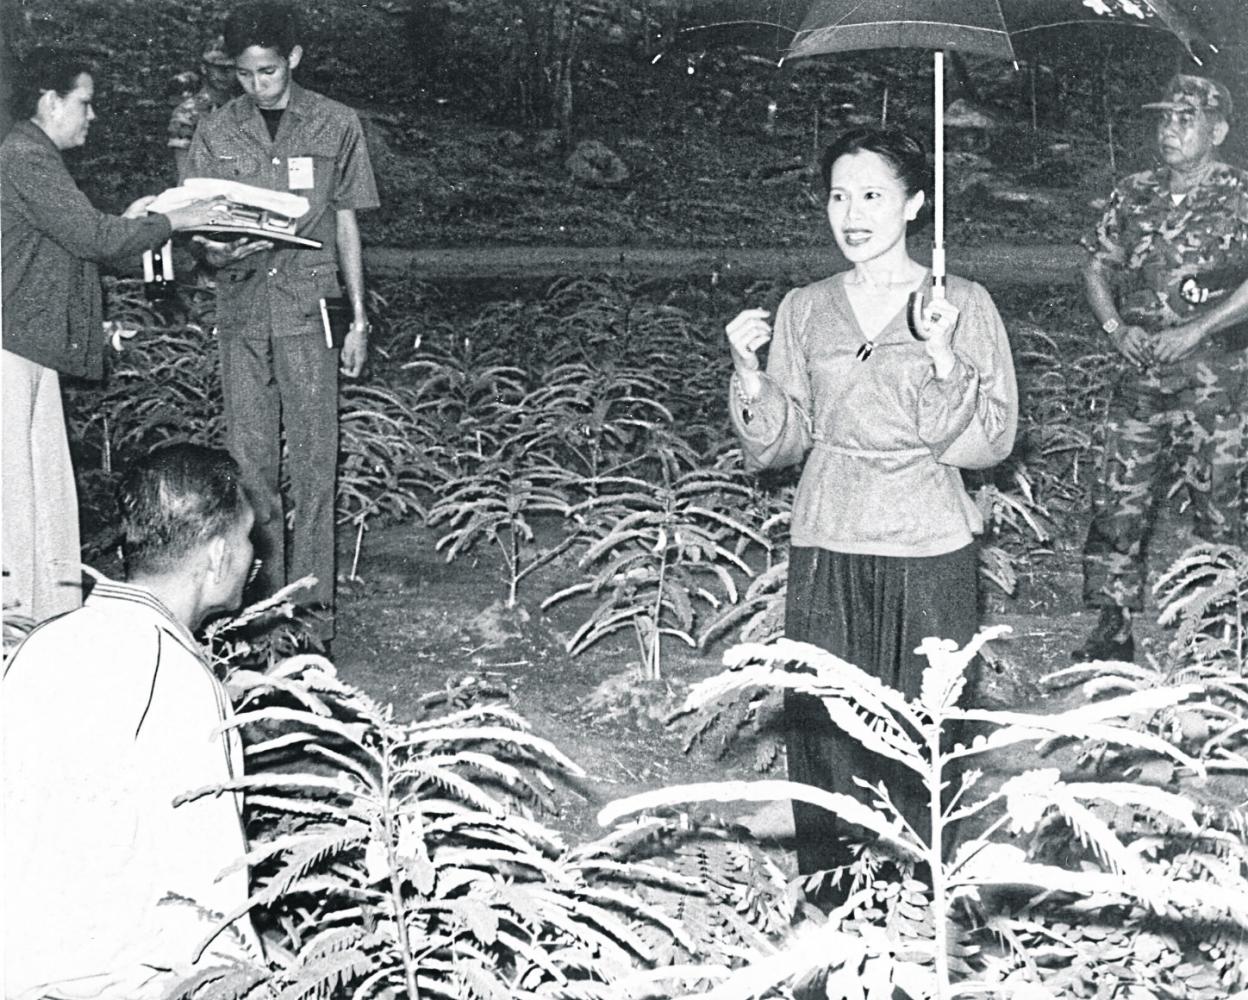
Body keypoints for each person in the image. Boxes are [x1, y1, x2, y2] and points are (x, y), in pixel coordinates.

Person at [725, 125, 1017, 898]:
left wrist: (944, 354)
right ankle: (829, 909)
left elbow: (989, 442)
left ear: (917, 204)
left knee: (922, 734)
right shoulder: (805, 307)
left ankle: (919, 913)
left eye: (874, 195)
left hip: (928, 543)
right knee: (824, 736)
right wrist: (749, 376)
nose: (852, 213)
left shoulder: (962, 304)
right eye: (839, 195)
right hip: (829, 537)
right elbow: (779, 443)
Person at [3, 443, 261, 1000]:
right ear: (216, 556)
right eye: (245, 540)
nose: (249, 556)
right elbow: (211, 913)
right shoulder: (182, 684)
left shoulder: (45, 644)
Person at [2, 48, 225, 624]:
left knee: (41, 494)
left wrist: (133, 225)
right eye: (85, 101)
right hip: (12, 346)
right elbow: (92, 238)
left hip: (29, 343)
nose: (92, 115)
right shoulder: (24, 155)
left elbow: (73, 239)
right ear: (50, 102)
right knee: (17, 499)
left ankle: (41, 622)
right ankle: (21, 625)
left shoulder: (33, 157)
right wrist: (176, 220)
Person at [184, 0, 379, 642]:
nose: (256, 85)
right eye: (243, 74)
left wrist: (359, 320)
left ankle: (313, 623)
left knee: (316, 467)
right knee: (251, 470)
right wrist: (214, 250)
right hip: (242, 313)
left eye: (267, 71)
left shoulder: (336, 123)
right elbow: (196, 226)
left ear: (291, 58)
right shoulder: (215, 132)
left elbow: (346, 222)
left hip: (310, 312)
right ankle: (262, 616)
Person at [1075, 74, 1248, 663]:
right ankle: (1112, 626)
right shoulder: (1134, 192)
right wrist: (1116, 330)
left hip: (1215, 380)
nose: (1169, 129)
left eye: (1185, 117)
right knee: (1119, 500)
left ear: (1218, 130)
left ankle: (1217, 626)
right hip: (1141, 374)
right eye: (1163, 118)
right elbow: (1097, 267)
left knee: (1219, 504)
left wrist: (1196, 331)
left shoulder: (1240, 193)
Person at [168, 35, 238, 181]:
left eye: (231, 68)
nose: (225, 74)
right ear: (204, 68)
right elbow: (185, 172)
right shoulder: (188, 113)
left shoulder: (243, 109)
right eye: (219, 68)